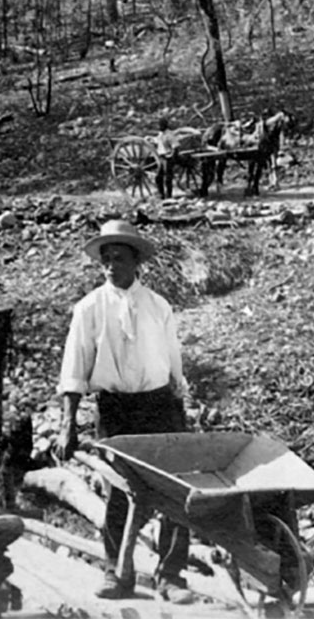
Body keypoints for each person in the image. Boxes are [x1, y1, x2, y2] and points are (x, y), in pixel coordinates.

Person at [56, 219, 194, 605]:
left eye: (119, 258)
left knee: (173, 492)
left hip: (159, 406)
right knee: (119, 492)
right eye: (106, 259)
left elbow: (173, 363)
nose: (111, 266)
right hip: (116, 411)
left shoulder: (158, 306)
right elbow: (74, 369)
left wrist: (179, 409)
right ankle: (117, 571)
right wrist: (68, 424)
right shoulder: (89, 309)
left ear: (137, 262)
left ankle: (171, 575)